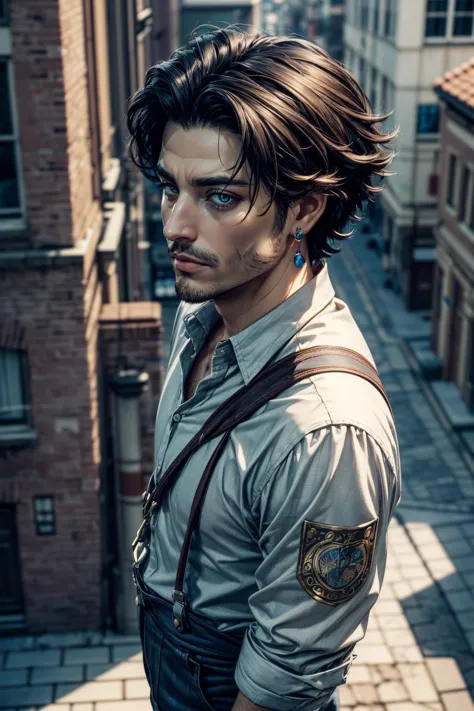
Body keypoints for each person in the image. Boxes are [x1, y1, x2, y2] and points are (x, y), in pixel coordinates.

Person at [127, 27, 401, 711]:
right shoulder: (208, 311)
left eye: (219, 197)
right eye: (170, 188)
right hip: (171, 646)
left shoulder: (329, 431)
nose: (176, 226)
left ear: (303, 208)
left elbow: (290, 669)